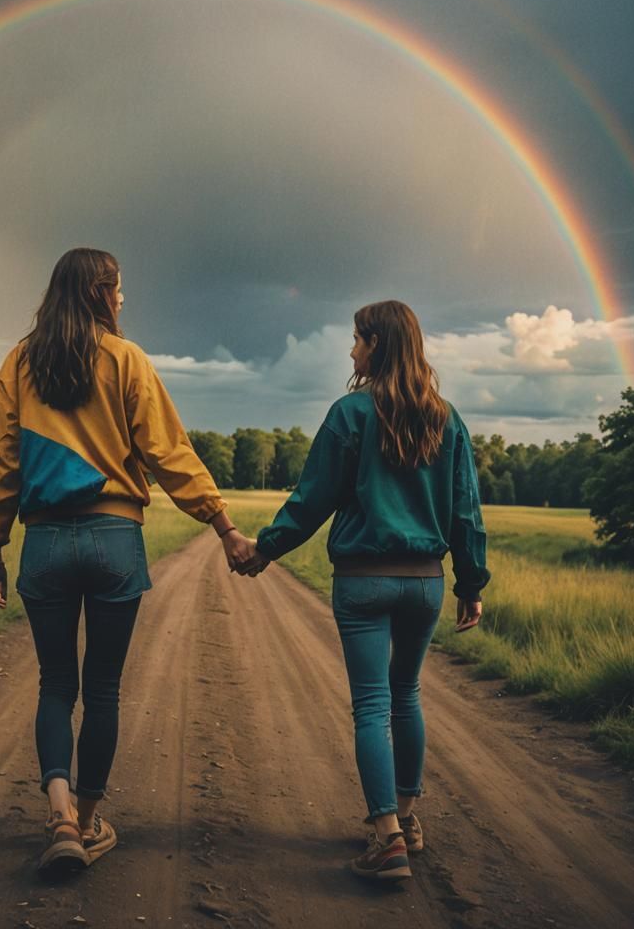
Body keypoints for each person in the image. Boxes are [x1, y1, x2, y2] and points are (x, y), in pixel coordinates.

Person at [0, 247, 258, 872]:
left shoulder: (19, 363)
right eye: (120, 289)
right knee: (102, 688)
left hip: (45, 543)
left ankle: (59, 815)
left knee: (55, 684)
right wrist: (224, 525)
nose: (125, 299)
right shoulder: (126, 360)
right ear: (101, 292)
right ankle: (91, 814)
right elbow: (170, 453)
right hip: (114, 541)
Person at [241, 299, 489, 880]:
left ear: (375, 345)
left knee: (372, 704)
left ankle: (386, 839)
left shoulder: (349, 414)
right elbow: (467, 513)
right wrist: (471, 584)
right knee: (406, 696)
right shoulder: (446, 419)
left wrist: (265, 550)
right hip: (426, 583)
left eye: (356, 340)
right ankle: (408, 819)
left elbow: (313, 499)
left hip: (363, 583)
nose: (351, 350)